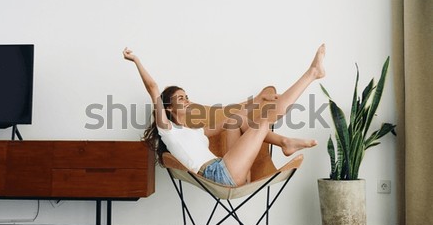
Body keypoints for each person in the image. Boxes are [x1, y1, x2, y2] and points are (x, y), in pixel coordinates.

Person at [123, 44, 326, 187]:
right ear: (168, 107)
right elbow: (153, 87)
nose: (186, 100)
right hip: (219, 175)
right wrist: (136, 60)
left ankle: (284, 142)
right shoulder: (167, 130)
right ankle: (312, 73)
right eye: (180, 98)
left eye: (186, 96)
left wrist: (260, 99)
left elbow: (233, 116)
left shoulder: (196, 132)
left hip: (231, 172)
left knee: (233, 120)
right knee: (265, 120)